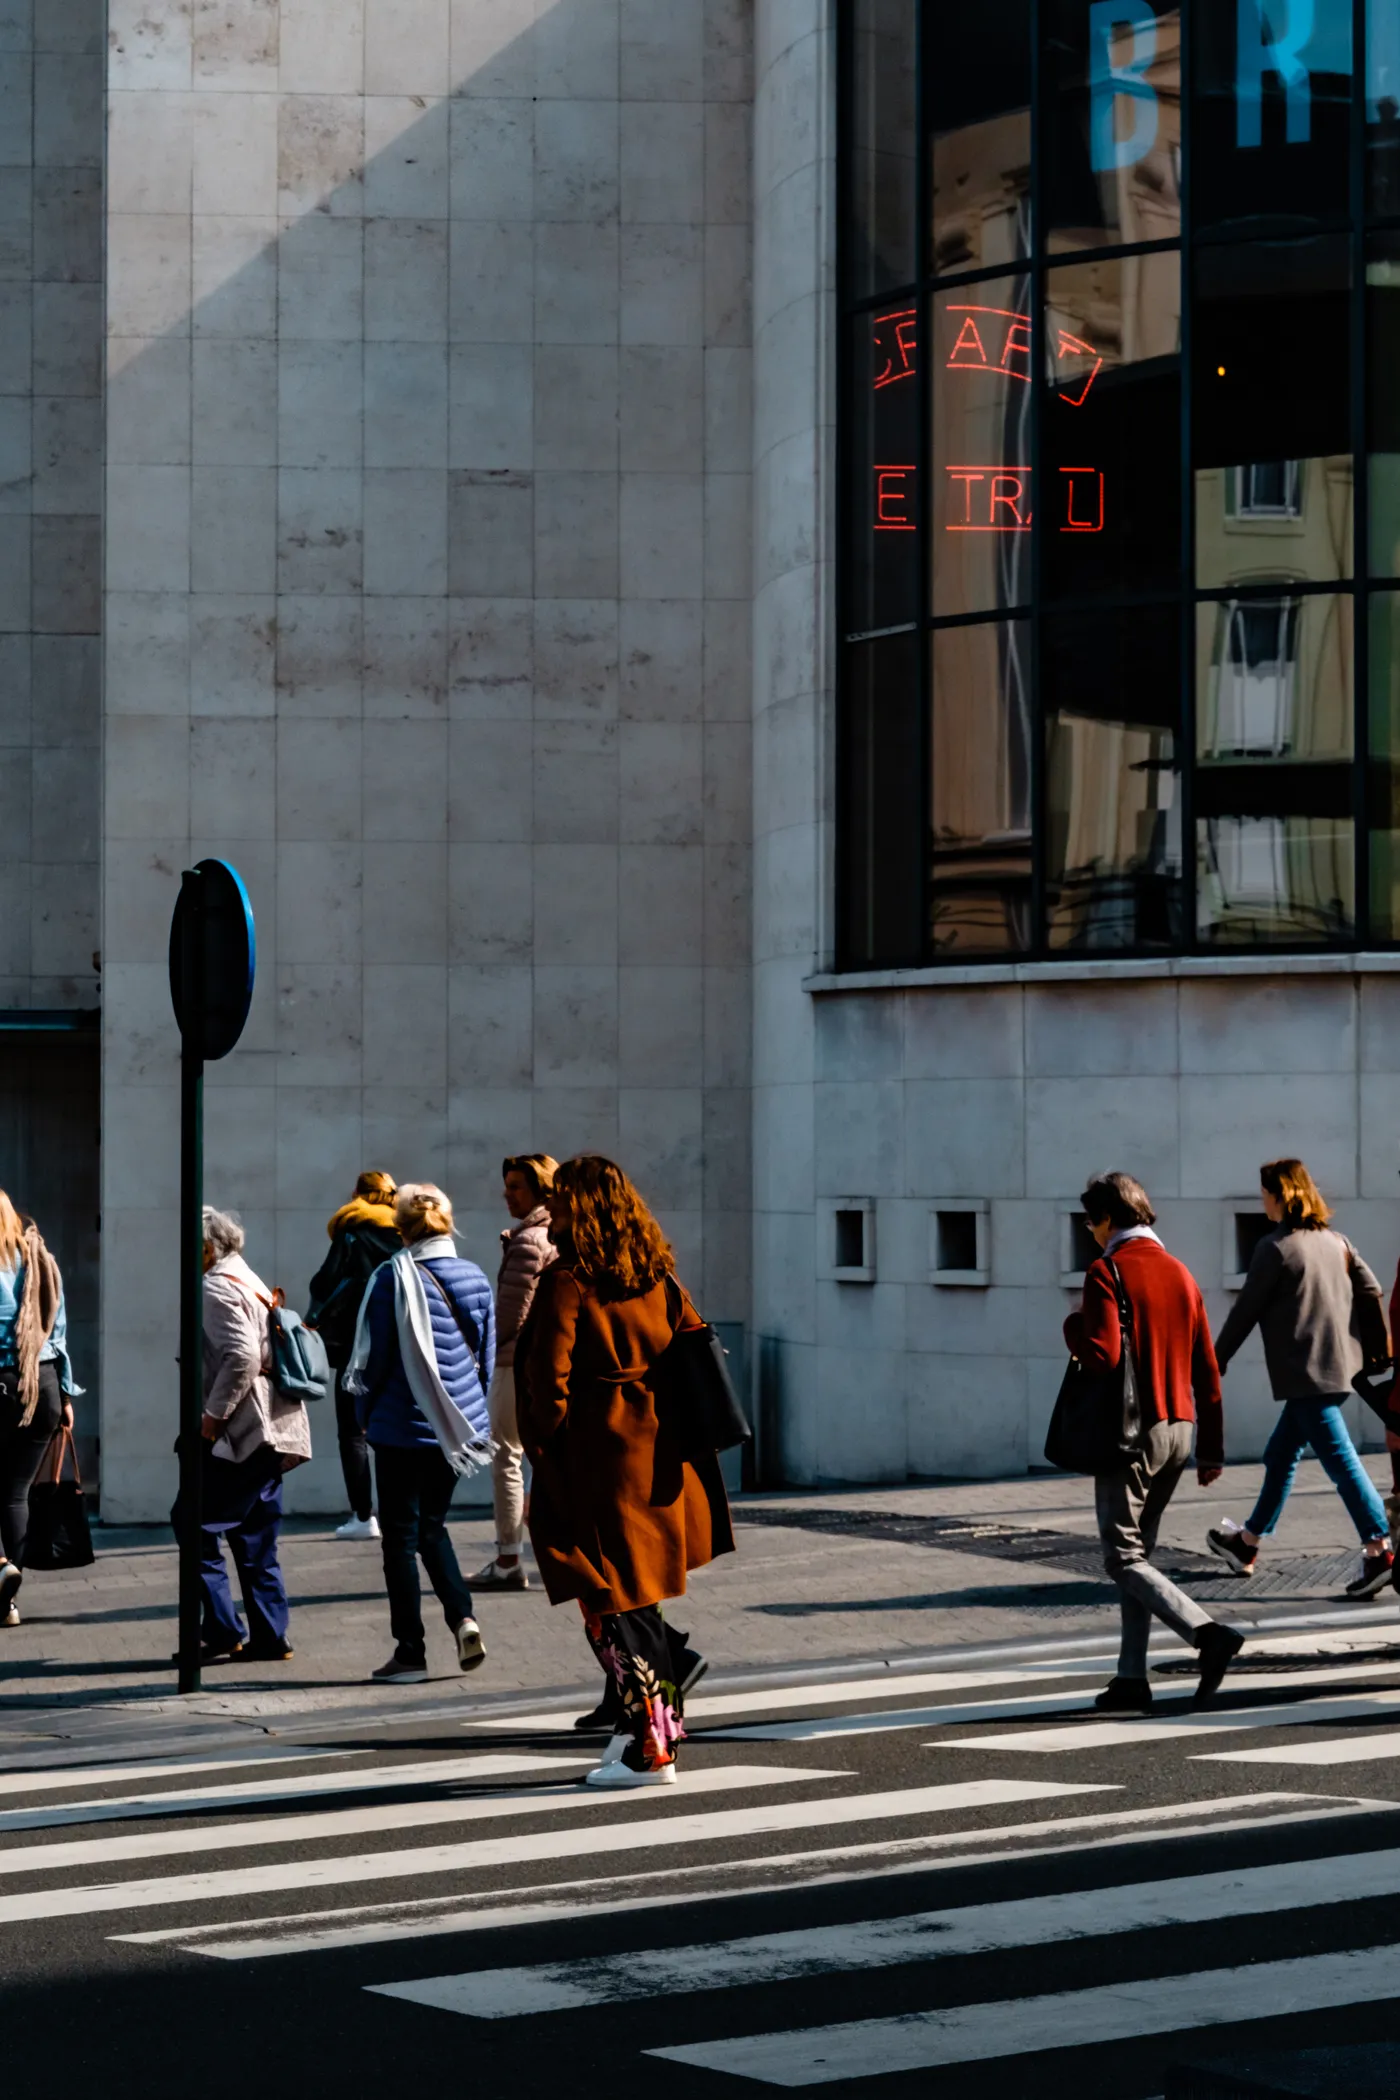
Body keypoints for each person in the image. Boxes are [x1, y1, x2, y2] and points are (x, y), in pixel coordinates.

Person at [516, 1155, 733, 1788]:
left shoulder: (569, 1280)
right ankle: (656, 1728)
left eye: (559, 1200)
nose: (550, 1210)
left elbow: (548, 1382)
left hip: (595, 1457)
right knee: (641, 1597)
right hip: (656, 1450)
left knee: (609, 1598)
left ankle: (650, 1748)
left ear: (577, 1208)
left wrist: (541, 1446)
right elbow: (692, 1340)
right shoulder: (656, 1274)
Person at [1067, 1171, 1243, 1713]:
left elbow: (1100, 1354)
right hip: (1181, 1429)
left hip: (1132, 1434)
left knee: (1122, 1559)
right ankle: (1130, 1677)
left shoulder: (1108, 1270)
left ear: (1107, 1220)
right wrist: (1211, 1447)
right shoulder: (1180, 1272)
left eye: (1092, 1222)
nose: (1091, 1233)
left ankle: (1207, 1633)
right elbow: (1207, 1367)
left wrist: (1073, 1327)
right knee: (1139, 1557)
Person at [1207, 1158, 1393, 1597]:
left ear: (1280, 1195)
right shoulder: (1337, 1242)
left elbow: (1245, 1310)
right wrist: (1375, 1353)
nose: (1262, 1201)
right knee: (1280, 1454)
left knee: (1341, 1461)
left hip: (1305, 1375)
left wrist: (1215, 1360)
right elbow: (1372, 1289)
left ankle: (1380, 1548)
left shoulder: (1274, 1248)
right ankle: (1247, 1543)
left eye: (1264, 1193)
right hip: (1342, 1370)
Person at [346, 1182, 495, 1684]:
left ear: (401, 1228)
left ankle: (410, 1651)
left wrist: (364, 1416)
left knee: (399, 1541)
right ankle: (464, 1619)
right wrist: (470, 1416)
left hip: (398, 1429)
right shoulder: (475, 1276)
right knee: (432, 1528)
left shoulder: (392, 1277)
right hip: (453, 1429)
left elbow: (374, 1358)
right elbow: (486, 1358)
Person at [171, 1207, 311, 1664]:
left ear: (207, 1248)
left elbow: (242, 1356)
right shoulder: (246, 1276)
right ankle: (270, 1634)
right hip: (275, 1428)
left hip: (241, 1430)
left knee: (192, 1522)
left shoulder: (214, 1286)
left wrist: (212, 1417)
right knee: (254, 1532)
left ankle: (221, 1630)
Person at [472, 1153, 558, 1592]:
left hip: (514, 1362)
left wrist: (481, 1353)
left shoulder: (528, 1241)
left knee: (507, 1458)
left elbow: (509, 1315)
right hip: (544, 1364)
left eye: (516, 1187)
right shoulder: (556, 1236)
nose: (506, 1194)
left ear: (540, 1189)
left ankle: (508, 1559)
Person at [0, 1191, 83, 1629]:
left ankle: (0, 1570)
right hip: (41, 1384)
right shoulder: (37, 1257)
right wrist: (65, 1397)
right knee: (14, 1492)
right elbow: (59, 1329)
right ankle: (6, 1598)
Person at [306, 1169, 401, 1542]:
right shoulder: (405, 1232)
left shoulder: (350, 1231)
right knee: (394, 1430)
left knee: (352, 1433)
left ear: (358, 1194)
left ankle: (364, 1516)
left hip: (353, 1348)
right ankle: (397, 1511)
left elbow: (324, 1282)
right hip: (396, 1346)